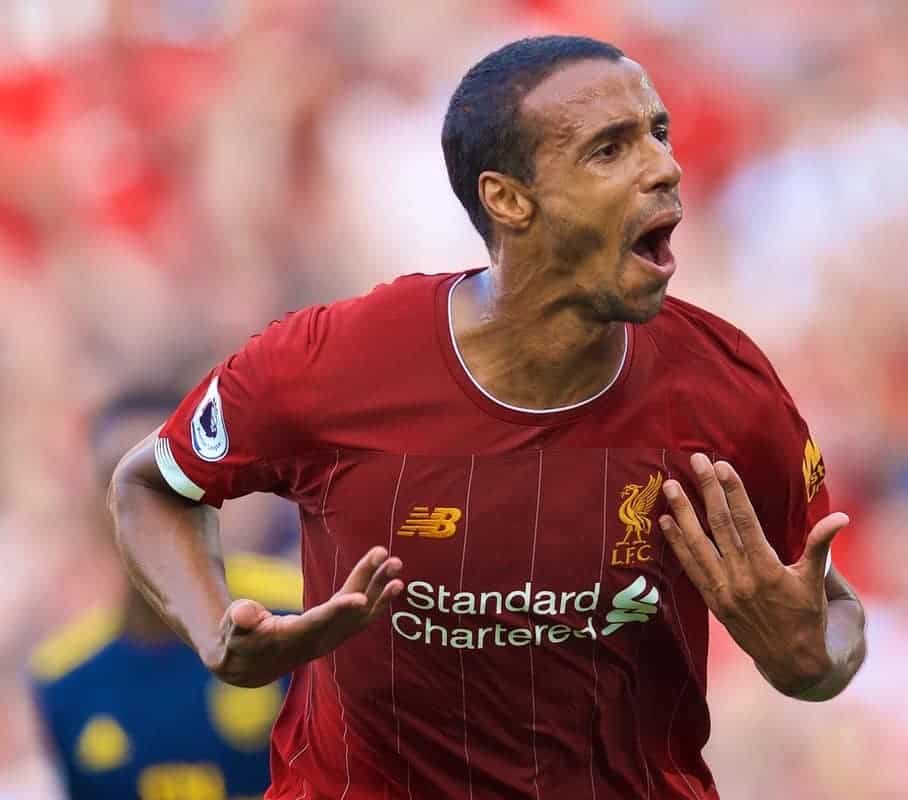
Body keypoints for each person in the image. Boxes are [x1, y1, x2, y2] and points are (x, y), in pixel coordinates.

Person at [109, 35, 867, 799]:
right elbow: (150, 483)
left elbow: (828, 625)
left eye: (658, 134)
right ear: (508, 197)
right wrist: (214, 635)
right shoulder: (329, 365)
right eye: (610, 150)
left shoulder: (723, 389)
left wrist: (809, 659)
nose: (665, 168)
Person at [31, 391, 303, 800]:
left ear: (211, 487)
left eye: (165, 479)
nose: (144, 502)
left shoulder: (300, 617)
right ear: (93, 502)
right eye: (120, 481)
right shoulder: (64, 680)